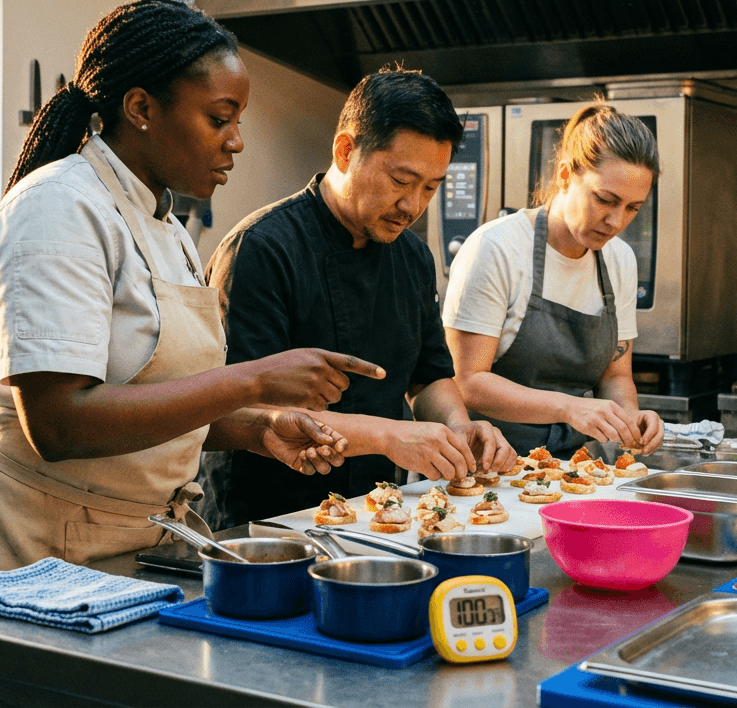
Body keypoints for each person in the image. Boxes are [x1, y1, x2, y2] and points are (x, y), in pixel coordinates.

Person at [0, 0, 381, 600]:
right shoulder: (58, 210)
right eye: (220, 119)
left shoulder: (165, 226)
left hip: (138, 538)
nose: (237, 142)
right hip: (36, 545)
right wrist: (253, 382)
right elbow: (61, 424)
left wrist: (257, 427)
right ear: (140, 108)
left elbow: (153, 400)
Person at [199, 67, 517, 529]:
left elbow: (429, 378)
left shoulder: (412, 256)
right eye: (401, 180)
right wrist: (392, 436)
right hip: (267, 519)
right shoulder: (262, 248)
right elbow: (241, 410)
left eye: (431, 187)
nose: (413, 205)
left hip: (378, 511)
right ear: (346, 151)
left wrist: (456, 426)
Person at [442, 103, 665, 457]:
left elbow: (615, 375)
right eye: (605, 200)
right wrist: (568, 407)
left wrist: (631, 418)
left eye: (632, 208)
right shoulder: (497, 248)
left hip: (569, 469)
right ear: (564, 175)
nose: (616, 221)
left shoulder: (619, 260)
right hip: (482, 465)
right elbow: (466, 383)